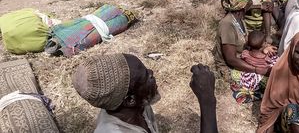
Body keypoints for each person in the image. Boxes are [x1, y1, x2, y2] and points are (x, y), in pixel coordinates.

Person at [73, 54, 219, 133]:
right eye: (145, 76)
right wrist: (207, 100)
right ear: (130, 100)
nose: (151, 72)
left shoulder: (130, 106)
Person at [214, 0, 272, 78]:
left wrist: (264, 47)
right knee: (267, 81)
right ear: (242, 7)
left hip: (244, 58)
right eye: (248, 3)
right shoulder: (227, 25)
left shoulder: (239, 18)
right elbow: (231, 59)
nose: (251, 4)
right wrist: (256, 69)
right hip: (230, 67)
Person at [231, 30, 278, 103]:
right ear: (264, 44)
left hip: (248, 76)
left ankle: (245, 90)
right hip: (259, 78)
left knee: (234, 73)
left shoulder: (245, 53)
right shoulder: (265, 58)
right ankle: (257, 93)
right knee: (275, 59)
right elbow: (269, 63)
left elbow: (243, 57)